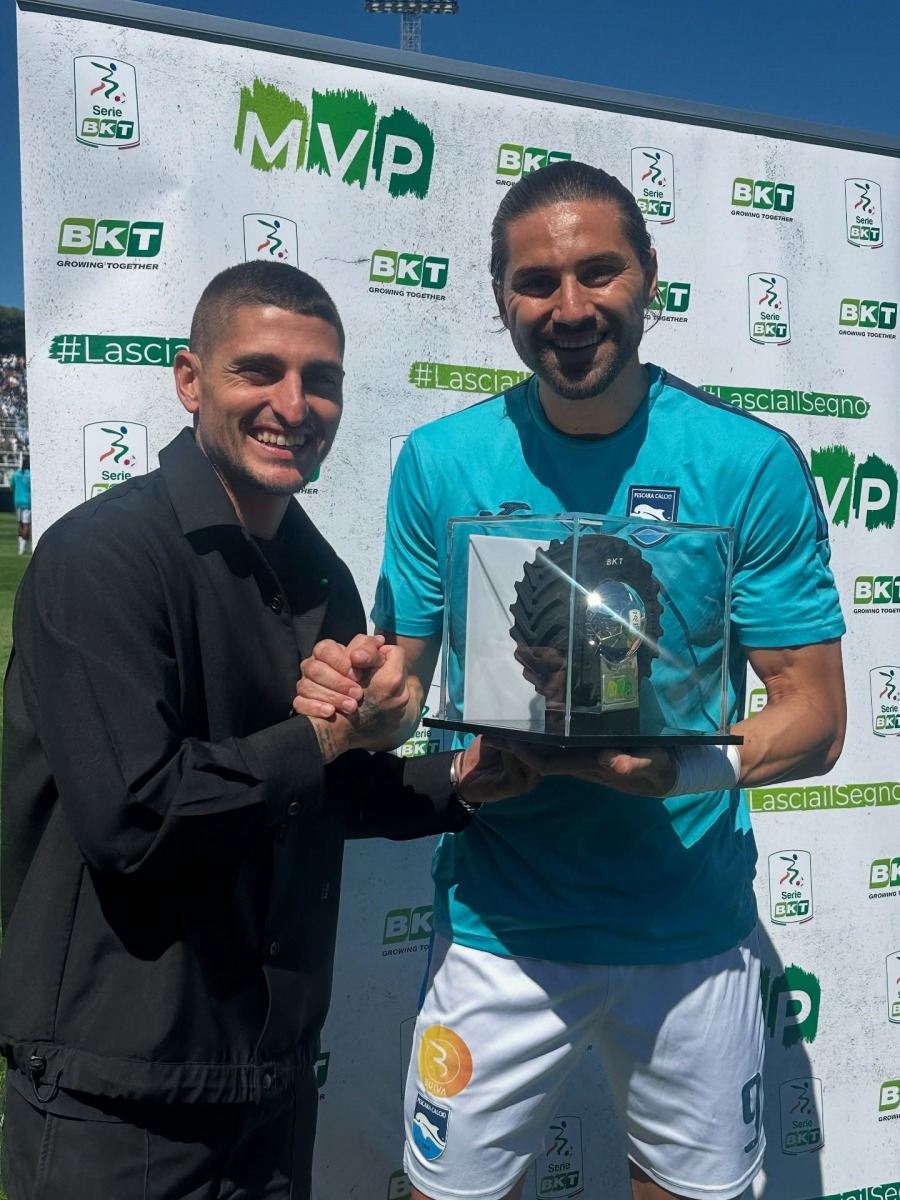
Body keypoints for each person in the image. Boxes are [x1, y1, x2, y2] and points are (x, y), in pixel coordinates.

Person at [297, 161, 847, 1200]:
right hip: (501, 923)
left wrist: (676, 772)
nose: (570, 306)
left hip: (689, 928)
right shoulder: (441, 460)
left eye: (599, 271)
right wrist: (372, 704)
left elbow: (816, 719)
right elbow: (405, 683)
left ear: (650, 274)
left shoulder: (749, 463)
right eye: (537, 281)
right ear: (500, 297)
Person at [0, 261, 535, 1200]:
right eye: (259, 370)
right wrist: (327, 737)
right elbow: (136, 818)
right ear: (190, 380)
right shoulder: (102, 556)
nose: (294, 405)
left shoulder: (318, 571)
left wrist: (461, 779)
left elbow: (320, 792)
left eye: (320, 379)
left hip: (273, 1084)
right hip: (118, 1099)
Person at [10, 454, 30, 554]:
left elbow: (11, 487)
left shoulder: (16, 474)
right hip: (28, 502)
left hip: (18, 501)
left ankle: (20, 547)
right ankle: (22, 548)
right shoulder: (30, 475)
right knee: (26, 525)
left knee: (21, 523)